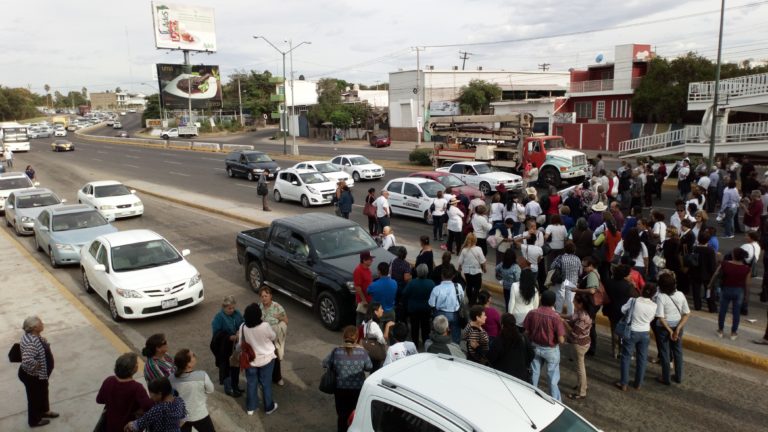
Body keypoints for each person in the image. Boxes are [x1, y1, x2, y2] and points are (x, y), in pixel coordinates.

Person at [323, 326, 372, 432]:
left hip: (340, 389)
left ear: (344, 337)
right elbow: (369, 367)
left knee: (342, 415)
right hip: (357, 390)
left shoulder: (336, 351)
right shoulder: (362, 353)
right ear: (357, 338)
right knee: (355, 413)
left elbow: (325, 363)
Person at [523, 290, 566, 401]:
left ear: (541, 300)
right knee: (552, 379)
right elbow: (561, 340)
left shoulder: (532, 313)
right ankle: (556, 401)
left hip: (535, 347)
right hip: (551, 350)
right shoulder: (556, 317)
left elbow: (526, 331)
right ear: (554, 302)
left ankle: (530, 396)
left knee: (534, 374)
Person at [96, 353, 154, 432]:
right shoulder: (137, 388)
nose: (137, 365)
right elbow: (149, 407)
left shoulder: (109, 380)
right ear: (134, 368)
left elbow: (99, 400)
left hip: (110, 426)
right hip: (128, 428)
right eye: (136, 363)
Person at [17, 316, 58, 428]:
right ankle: (34, 421)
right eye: (41, 323)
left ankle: (44, 411)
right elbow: (26, 360)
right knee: (34, 398)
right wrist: (37, 365)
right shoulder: (32, 342)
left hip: (41, 375)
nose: (43, 324)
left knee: (43, 392)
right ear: (34, 327)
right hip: (33, 376)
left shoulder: (33, 336)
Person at [616, 284, 657, 392]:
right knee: (642, 359)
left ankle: (623, 383)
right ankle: (638, 383)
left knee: (626, 357)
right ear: (653, 294)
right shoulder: (654, 305)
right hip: (645, 333)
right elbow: (652, 318)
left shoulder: (633, 301)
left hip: (632, 331)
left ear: (642, 290)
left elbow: (623, 310)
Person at [240, 303, 278, 415]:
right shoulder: (265, 326)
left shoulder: (242, 327)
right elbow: (273, 336)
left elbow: (240, 343)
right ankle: (269, 407)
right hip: (267, 359)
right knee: (266, 383)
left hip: (251, 361)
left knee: (251, 383)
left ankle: (251, 408)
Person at [654, 271, 690, 385]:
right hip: (677, 325)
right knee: (678, 351)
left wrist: (669, 330)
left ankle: (666, 377)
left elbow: (660, 317)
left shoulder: (661, 297)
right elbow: (687, 313)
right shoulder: (680, 294)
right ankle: (678, 376)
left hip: (663, 328)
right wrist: (677, 329)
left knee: (665, 352)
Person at [170, 349, 216, 432]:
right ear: (188, 365)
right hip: (199, 414)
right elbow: (210, 390)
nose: (195, 356)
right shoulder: (202, 375)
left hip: (181, 416)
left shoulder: (171, 378)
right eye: (193, 355)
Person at [210, 296, 244, 397]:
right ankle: (229, 389)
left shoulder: (237, 314)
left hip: (236, 347)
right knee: (227, 369)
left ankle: (235, 386)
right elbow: (216, 335)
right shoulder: (218, 318)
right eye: (229, 308)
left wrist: (240, 331)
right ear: (224, 307)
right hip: (224, 348)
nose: (232, 310)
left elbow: (242, 323)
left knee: (235, 367)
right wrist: (229, 337)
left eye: (233, 308)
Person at [488, 313, 534, 382]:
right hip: (521, 377)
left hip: (502, 376)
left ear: (502, 325)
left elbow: (491, 357)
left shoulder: (499, 340)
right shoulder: (523, 338)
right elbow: (531, 354)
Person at [603, 264, 637, 358]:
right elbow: (635, 297)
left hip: (611, 309)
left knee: (614, 330)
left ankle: (614, 351)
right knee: (624, 332)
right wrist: (633, 285)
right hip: (624, 312)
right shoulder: (627, 285)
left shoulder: (608, 282)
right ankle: (622, 351)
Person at [718, 248, 751, 340]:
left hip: (726, 289)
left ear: (733, 255)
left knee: (722, 311)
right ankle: (733, 332)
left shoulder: (725, 264)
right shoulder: (746, 269)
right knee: (736, 313)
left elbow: (717, 274)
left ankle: (720, 330)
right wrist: (746, 296)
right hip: (739, 291)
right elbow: (747, 284)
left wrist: (710, 284)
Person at [563, 295, 592, 400]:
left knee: (580, 368)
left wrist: (563, 322)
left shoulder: (583, 318)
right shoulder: (579, 312)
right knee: (579, 367)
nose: (573, 302)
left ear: (581, 304)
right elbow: (571, 317)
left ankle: (582, 392)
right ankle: (582, 384)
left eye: (575, 301)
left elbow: (574, 333)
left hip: (580, 344)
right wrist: (559, 315)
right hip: (582, 343)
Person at [259, 287, 288, 386]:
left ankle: (277, 377)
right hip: (262, 338)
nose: (264, 298)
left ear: (271, 296)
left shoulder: (277, 307)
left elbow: (286, 321)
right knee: (263, 359)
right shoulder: (259, 307)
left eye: (266, 296)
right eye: (262, 296)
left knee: (275, 358)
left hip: (274, 338)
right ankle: (264, 377)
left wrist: (279, 317)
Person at [401, 264, 435, 348]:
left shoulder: (412, 283)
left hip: (413, 309)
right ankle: (425, 343)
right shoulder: (431, 283)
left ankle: (415, 344)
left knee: (414, 327)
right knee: (425, 327)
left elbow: (404, 293)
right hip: (426, 309)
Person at [428, 266, 465, 343]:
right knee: (455, 337)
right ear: (453, 276)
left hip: (440, 315)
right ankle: (454, 349)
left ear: (442, 275)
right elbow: (462, 300)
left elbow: (431, 304)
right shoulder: (458, 286)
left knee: (440, 334)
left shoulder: (437, 289)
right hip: (455, 314)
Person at [550, 241, 582, 316]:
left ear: (565, 249)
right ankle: (570, 316)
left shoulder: (560, 258)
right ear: (574, 250)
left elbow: (552, 267)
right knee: (570, 300)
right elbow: (580, 272)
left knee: (559, 298)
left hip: (561, 281)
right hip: (572, 282)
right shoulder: (577, 259)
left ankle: (558, 315)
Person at [508, 254, 539, 329]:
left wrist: (509, 315)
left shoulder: (514, 286)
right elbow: (536, 305)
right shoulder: (534, 289)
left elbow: (512, 302)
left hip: (516, 317)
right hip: (529, 317)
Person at [360, 302, 393, 371]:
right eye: (381, 308)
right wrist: (387, 326)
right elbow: (383, 340)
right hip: (375, 352)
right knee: (376, 369)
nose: (382, 310)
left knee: (372, 368)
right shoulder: (373, 325)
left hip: (367, 349)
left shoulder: (365, 321)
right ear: (375, 311)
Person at [689, 231, 717, 311]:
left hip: (696, 273)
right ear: (708, 240)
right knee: (709, 291)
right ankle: (711, 307)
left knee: (696, 291)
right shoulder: (710, 251)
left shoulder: (694, 249)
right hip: (707, 274)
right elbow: (712, 265)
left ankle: (697, 306)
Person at [457, 232, 486, 306]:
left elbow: (460, 262)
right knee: (477, 287)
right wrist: (484, 268)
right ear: (475, 240)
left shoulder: (464, 250)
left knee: (469, 286)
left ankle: (470, 300)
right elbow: (482, 261)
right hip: (477, 271)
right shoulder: (478, 249)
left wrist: (459, 269)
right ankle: (473, 302)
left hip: (467, 271)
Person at [353, 251, 374, 326]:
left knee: (368, 319)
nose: (372, 260)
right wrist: (363, 300)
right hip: (363, 301)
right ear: (364, 260)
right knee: (360, 320)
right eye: (370, 259)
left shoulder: (368, 269)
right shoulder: (358, 271)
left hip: (369, 299)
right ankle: (359, 335)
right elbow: (357, 287)